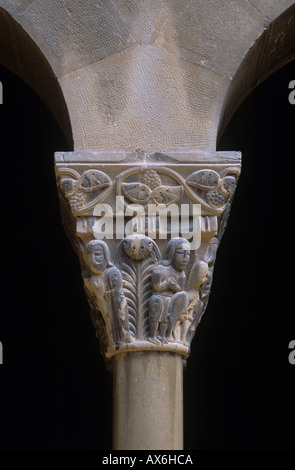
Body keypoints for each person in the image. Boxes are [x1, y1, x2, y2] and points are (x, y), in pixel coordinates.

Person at [83, 239, 133, 345]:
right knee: (108, 323)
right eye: (89, 256)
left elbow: (118, 289)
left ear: (105, 255)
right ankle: (114, 338)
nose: (93, 260)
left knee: (119, 315)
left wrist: (110, 293)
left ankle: (125, 335)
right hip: (105, 305)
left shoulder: (112, 272)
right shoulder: (94, 278)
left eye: (97, 254)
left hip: (115, 302)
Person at [149, 238, 190, 345]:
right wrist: (166, 284)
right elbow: (156, 287)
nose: (185, 258)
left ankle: (163, 335)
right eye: (181, 252)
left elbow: (181, 292)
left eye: (188, 254)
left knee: (166, 317)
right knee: (157, 311)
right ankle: (153, 335)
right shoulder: (160, 269)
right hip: (158, 297)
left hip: (170, 300)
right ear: (171, 252)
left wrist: (175, 286)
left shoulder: (182, 275)